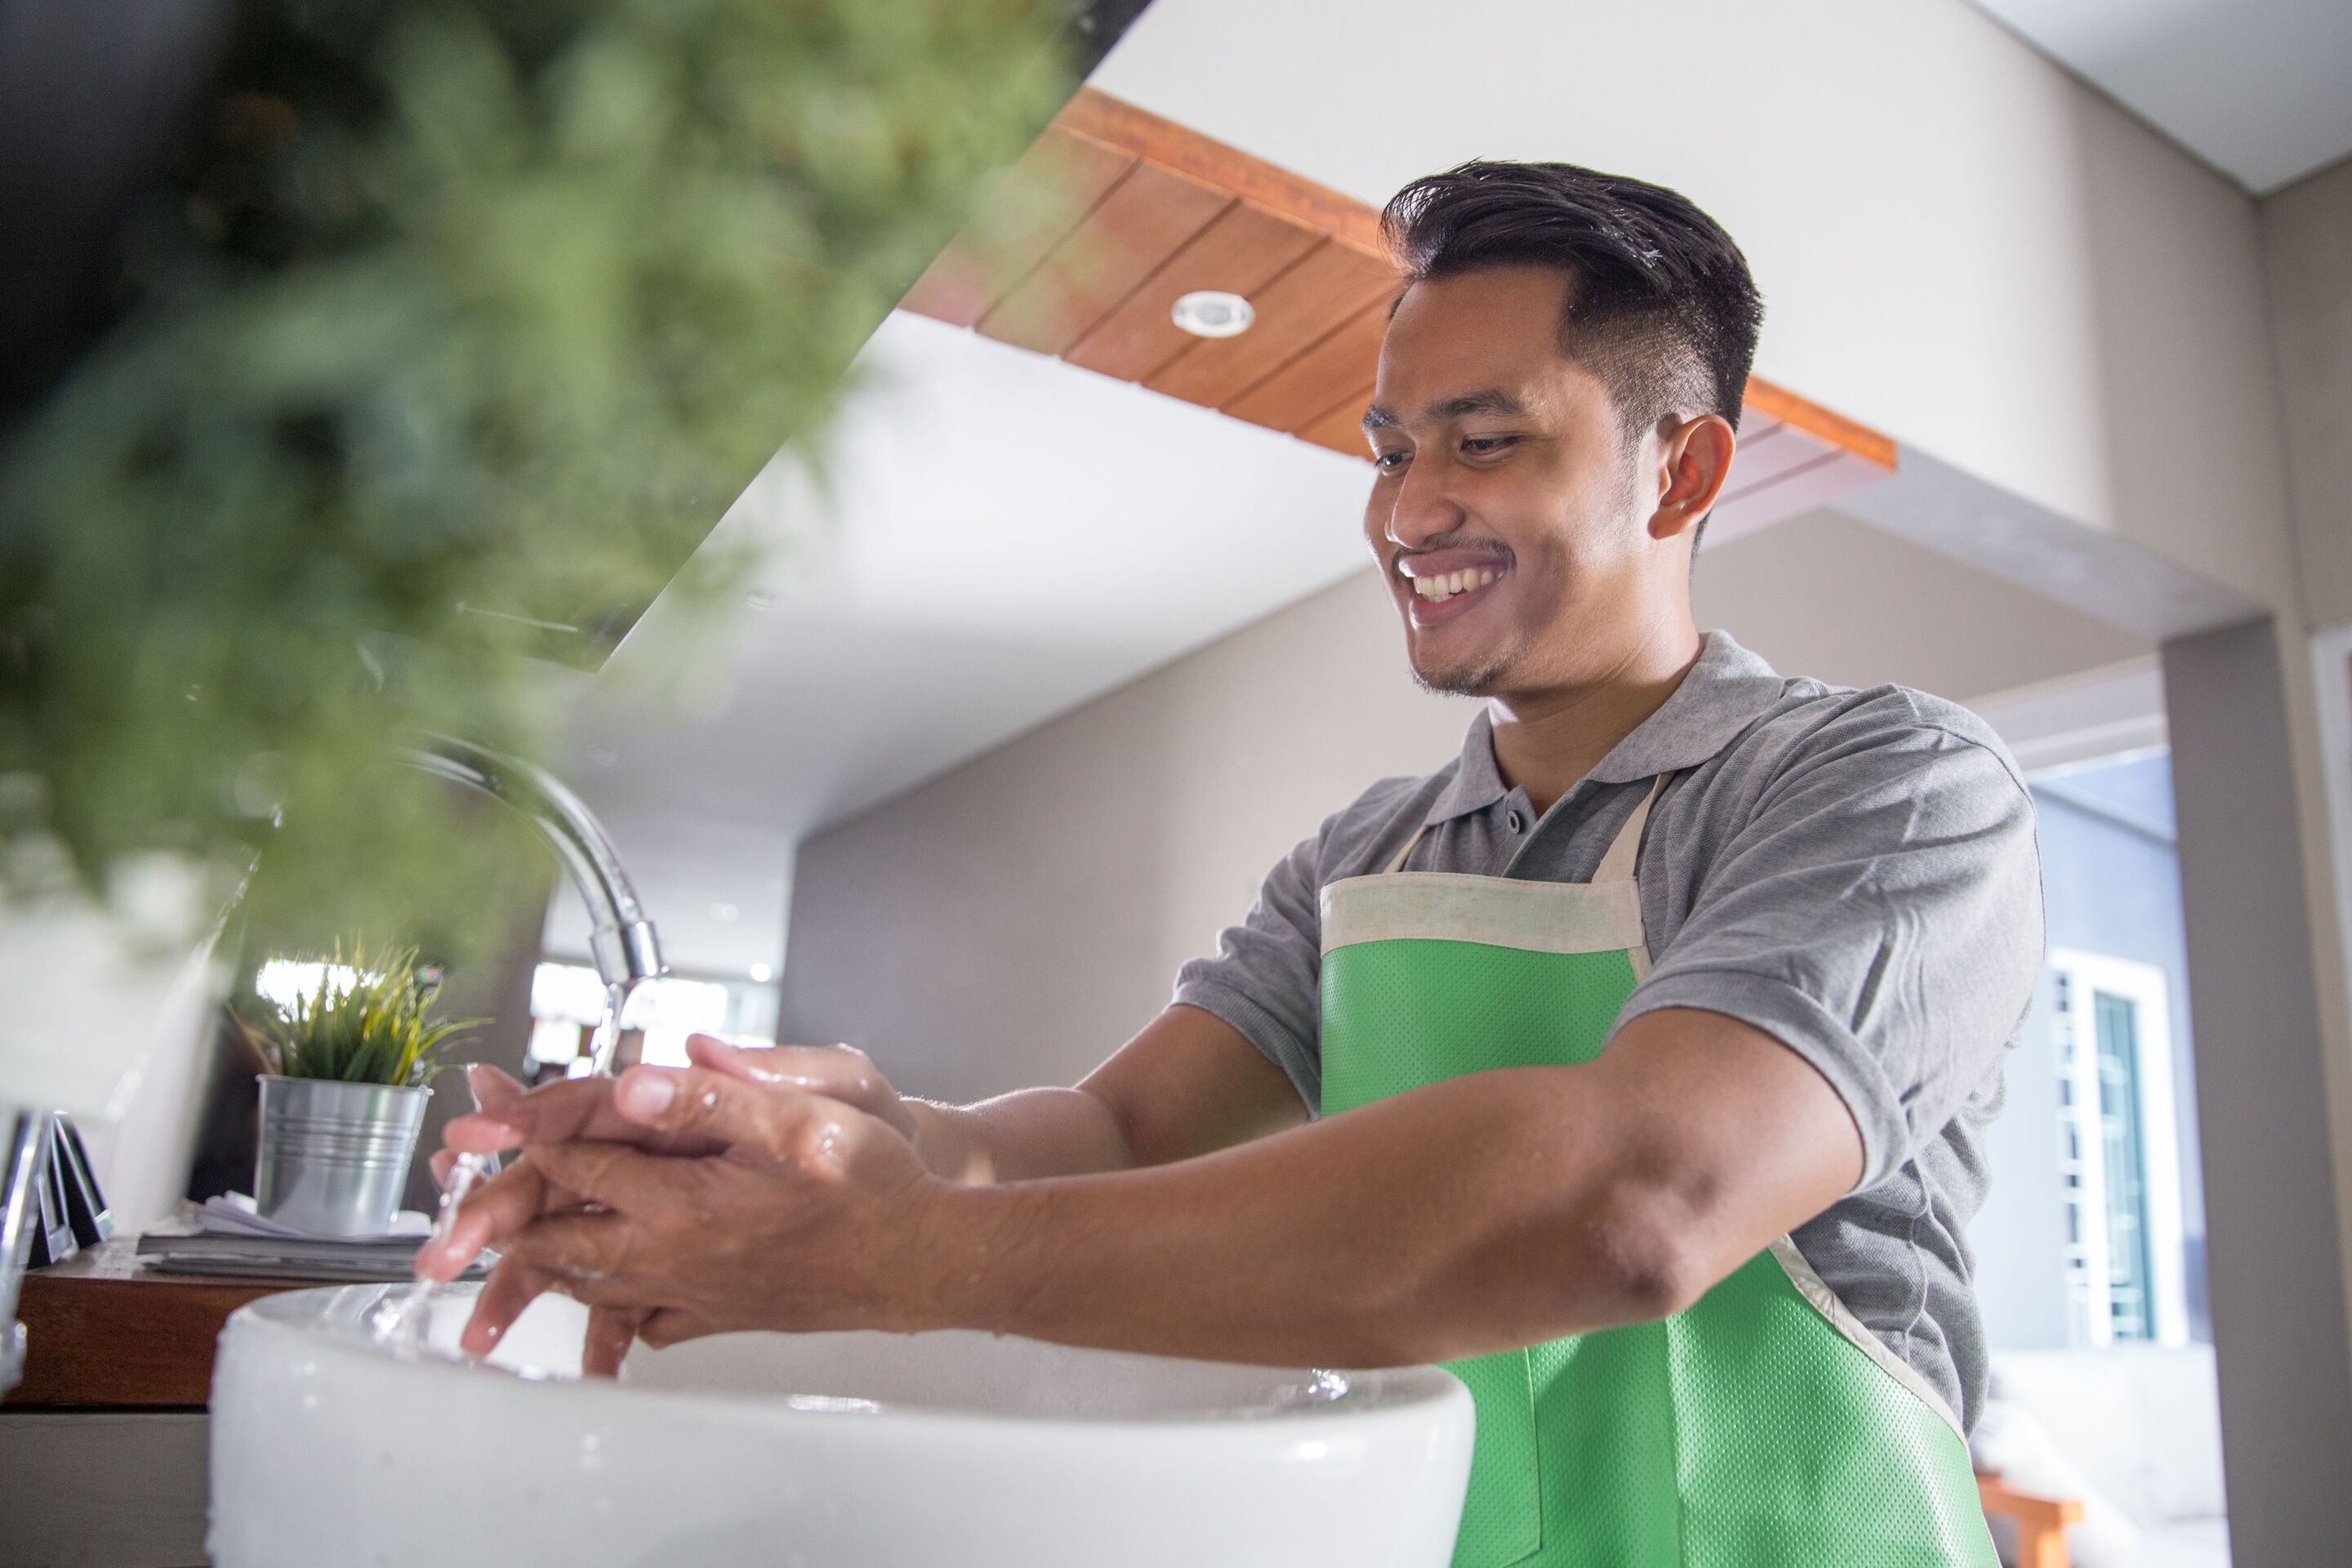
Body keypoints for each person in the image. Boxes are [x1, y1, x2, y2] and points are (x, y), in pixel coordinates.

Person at [421, 160, 2042, 1565]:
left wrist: (903, 1255)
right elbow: (1123, 1126)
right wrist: (858, 1140)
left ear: (1681, 471)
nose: (1409, 512)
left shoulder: (1884, 789)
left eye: (1484, 444)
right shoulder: (1370, 851)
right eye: (1390, 449)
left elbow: (1640, 1198)